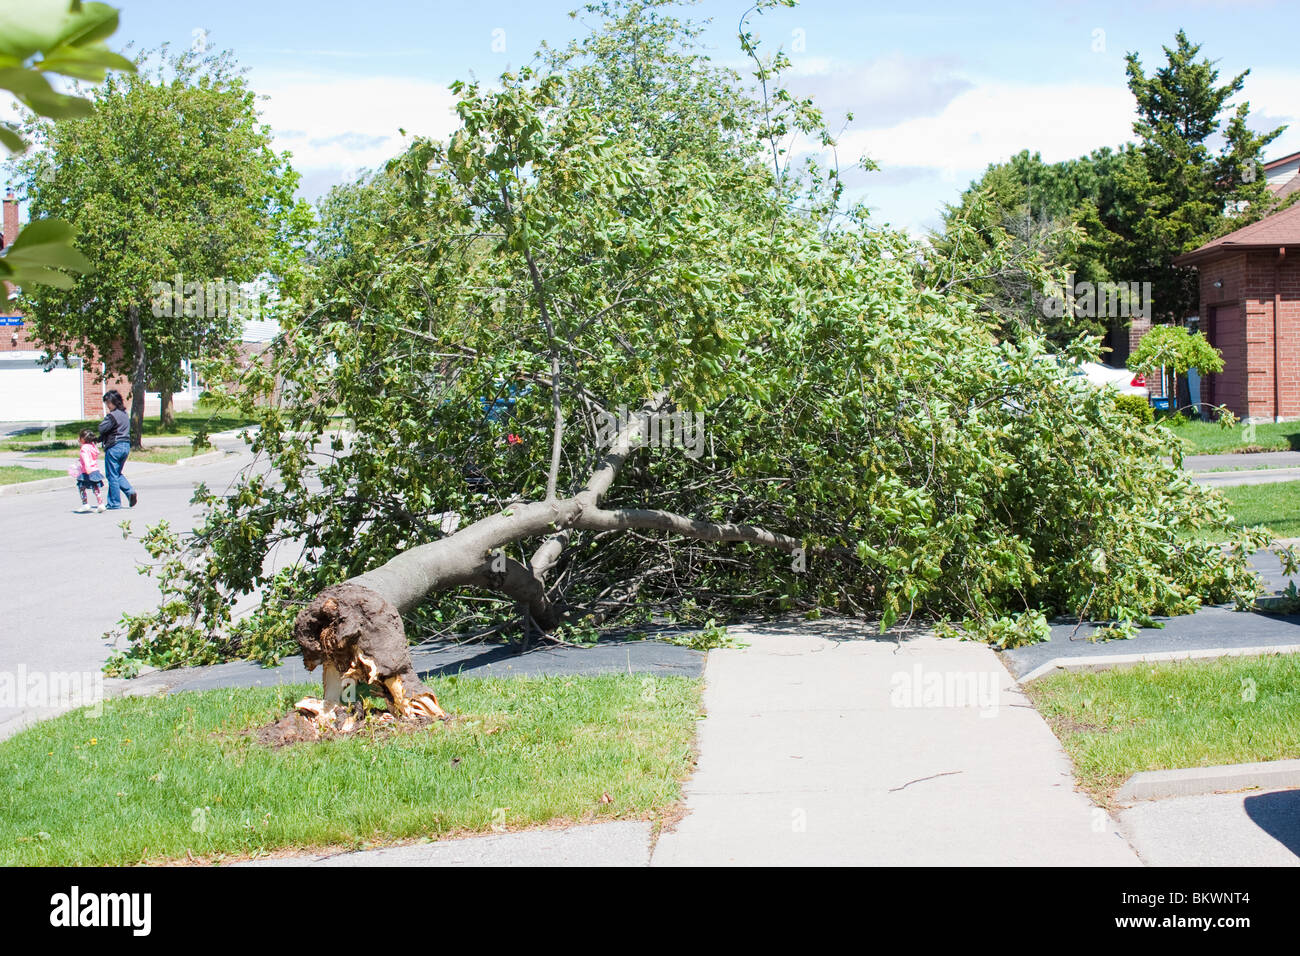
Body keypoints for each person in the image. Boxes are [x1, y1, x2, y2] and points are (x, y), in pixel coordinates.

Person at [97, 390, 138, 510]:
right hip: (126, 446)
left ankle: (114, 503)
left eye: (108, 403)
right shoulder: (124, 414)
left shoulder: (112, 416)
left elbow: (102, 428)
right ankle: (130, 492)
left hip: (115, 447)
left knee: (111, 475)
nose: (107, 406)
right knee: (117, 473)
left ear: (113, 402)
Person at [70, 429, 106, 513]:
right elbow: (95, 455)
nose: (78, 439)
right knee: (95, 487)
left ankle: (85, 504)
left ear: (83, 439)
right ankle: (100, 504)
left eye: (79, 437)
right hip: (95, 469)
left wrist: (87, 467)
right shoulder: (93, 446)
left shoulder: (84, 448)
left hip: (86, 471)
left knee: (81, 487)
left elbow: (86, 459)